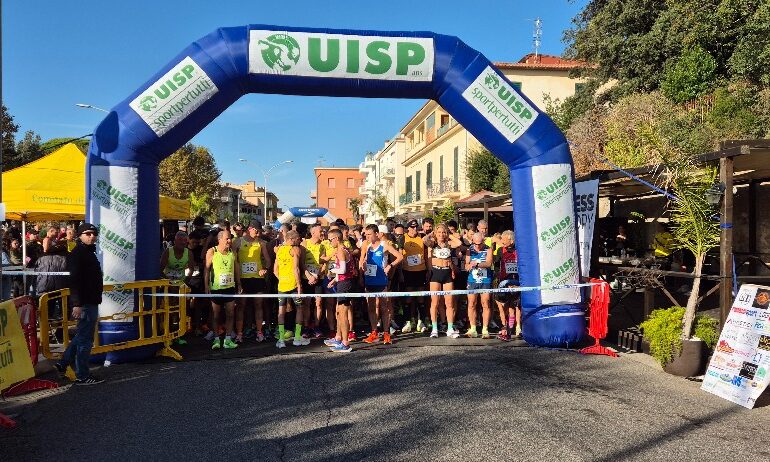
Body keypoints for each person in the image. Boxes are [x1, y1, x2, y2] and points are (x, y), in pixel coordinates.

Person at [54, 223, 104, 385]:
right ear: (80, 236)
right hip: (85, 302)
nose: (91, 236)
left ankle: (62, 364)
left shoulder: (88, 252)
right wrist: (76, 303)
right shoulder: (78, 253)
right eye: (88, 234)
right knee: (85, 340)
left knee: (81, 336)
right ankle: (82, 375)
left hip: (90, 300)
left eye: (94, 234)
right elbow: (74, 280)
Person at [360, 224, 403, 344]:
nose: (367, 237)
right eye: (366, 234)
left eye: (369, 234)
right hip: (369, 280)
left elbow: (400, 257)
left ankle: (386, 333)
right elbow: (362, 261)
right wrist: (363, 265)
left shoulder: (384, 245)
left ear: (376, 234)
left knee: (384, 308)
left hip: (381, 281)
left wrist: (390, 265)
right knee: (371, 308)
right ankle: (374, 332)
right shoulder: (367, 246)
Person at [234, 221, 272, 342]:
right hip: (243, 279)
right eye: (256, 230)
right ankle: (239, 333)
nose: (258, 233)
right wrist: (237, 279)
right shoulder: (238, 242)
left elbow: (268, 260)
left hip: (257, 279)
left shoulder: (261, 243)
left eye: (260, 231)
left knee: (258, 305)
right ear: (250, 229)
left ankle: (259, 332)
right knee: (241, 306)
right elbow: (233, 261)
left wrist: (265, 269)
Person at [203, 230, 240, 350]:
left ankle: (228, 340)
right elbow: (207, 270)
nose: (229, 241)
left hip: (229, 287)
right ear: (220, 239)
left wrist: (239, 283)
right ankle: (216, 339)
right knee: (215, 315)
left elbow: (237, 269)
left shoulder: (232, 252)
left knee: (230, 314)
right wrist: (206, 286)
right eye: (227, 238)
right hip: (216, 288)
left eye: (230, 239)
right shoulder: (212, 251)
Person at [274, 230, 309, 348]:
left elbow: (275, 270)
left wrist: (282, 279)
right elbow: (296, 269)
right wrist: (299, 285)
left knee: (281, 312)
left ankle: (282, 340)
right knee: (299, 309)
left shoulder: (278, 250)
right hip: (294, 285)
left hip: (281, 285)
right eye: (299, 238)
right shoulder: (295, 249)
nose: (300, 240)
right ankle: (297, 338)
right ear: (292, 239)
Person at [324, 229, 356, 353]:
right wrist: (335, 280)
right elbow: (344, 270)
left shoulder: (341, 251)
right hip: (343, 282)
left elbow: (342, 270)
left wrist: (332, 270)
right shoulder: (343, 250)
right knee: (339, 311)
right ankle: (338, 338)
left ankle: (345, 342)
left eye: (330, 239)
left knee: (342, 314)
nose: (329, 242)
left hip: (346, 284)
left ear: (337, 239)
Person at [427, 224, 460, 338]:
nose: (441, 234)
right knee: (435, 302)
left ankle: (450, 328)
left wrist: (449, 235)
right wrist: (433, 234)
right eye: (439, 232)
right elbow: (424, 240)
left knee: (449, 303)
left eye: (443, 232)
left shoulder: (449, 244)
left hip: (447, 273)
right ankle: (434, 328)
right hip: (435, 273)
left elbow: (459, 243)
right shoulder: (432, 243)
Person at [400, 219, 428, 334]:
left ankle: (421, 320)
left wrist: (428, 270)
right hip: (407, 270)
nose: (414, 229)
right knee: (409, 297)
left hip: (421, 270)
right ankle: (408, 321)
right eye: (412, 227)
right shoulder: (403, 238)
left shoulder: (422, 237)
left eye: (416, 227)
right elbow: (400, 254)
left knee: (421, 297)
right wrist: (400, 272)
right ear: (408, 228)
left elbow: (427, 254)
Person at [466, 232, 494, 338]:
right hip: (472, 280)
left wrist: (477, 264)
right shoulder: (470, 249)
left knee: (485, 303)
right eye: (475, 243)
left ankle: (485, 329)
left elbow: (488, 263)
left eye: (480, 243)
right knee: (471, 303)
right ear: (473, 241)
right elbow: (467, 264)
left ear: (483, 241)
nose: (478, 246)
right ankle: (473, 328)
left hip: (485, 279)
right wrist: (468, 265)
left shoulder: (488, 249)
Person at [302, 223, 327, 338]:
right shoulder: (304, 243)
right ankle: (307, 327)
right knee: (307, 303)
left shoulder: (323, 245)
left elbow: (324, 264)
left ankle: (316, 326)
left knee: (319, 303)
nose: (322, 233)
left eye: (322, 231)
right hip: (306, 278)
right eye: (320, 231)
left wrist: (317, 275)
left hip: (318, 278)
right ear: (313, 233)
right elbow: (301, 263)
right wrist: (309, 276)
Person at [494, 230, 521, 340]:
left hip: (517, 281)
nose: (502, 241)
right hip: (505, 281)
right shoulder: (501, 250)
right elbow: (496, 264)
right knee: (508, 305)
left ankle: (518, 327)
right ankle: (509, 328)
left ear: (511, 240)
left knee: (518, 305)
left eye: (504, 240)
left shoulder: (519, 249)